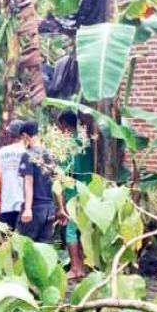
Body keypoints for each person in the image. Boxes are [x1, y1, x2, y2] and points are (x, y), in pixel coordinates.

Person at [17, 121, 68, 243]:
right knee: (43, 251)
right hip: (49, 210)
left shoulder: (28, 155)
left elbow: (28, 183)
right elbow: (57, 184)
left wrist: (28, 208)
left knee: (24, 248)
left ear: (25, 136)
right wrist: (60, 208)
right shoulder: (50, 155)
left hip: (35, 209)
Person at [58, 111, 91, 279]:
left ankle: (75, 267)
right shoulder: (86, 143)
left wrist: (61, 203)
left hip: (73, 193)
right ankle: (84, 265)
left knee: (71, 231)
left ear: (63, 125)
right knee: (83, 230)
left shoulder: (68, 145)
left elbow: (66, 175)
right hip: (89, 191)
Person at [0, 120, 26, 229]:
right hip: (25, 206)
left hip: (6, 206)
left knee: (7, 241)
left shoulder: (2, 153)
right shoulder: (28, 152)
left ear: (11, 135)